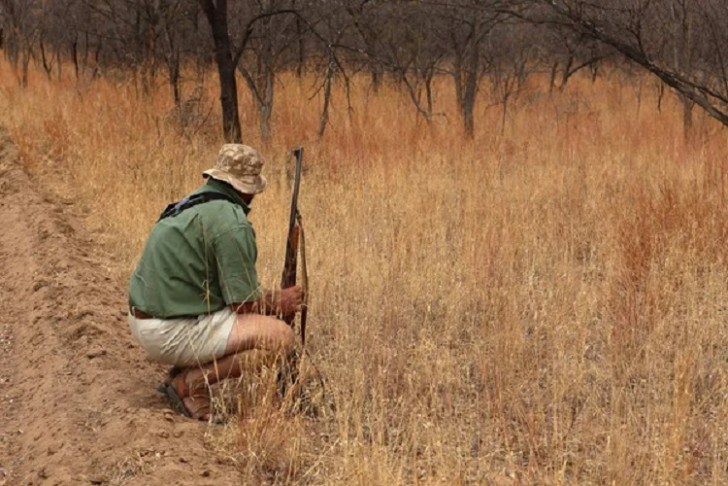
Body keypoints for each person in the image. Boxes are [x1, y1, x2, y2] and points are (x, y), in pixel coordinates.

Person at [127, 144, 303, 421]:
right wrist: (281, 302)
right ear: (248, 189)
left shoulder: (192, 203)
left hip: (147, 322)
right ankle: (190, 383)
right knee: (281, 337)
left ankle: (185, 375)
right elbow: (242, 304)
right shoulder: (231, 222)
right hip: (167, 329)